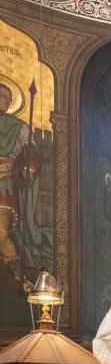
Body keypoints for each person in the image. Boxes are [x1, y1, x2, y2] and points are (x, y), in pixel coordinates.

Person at [0, 82, 42, 282]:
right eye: (1, 96)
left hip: (3, 185)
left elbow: (34, 153)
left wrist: (29, 168)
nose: (5, 101)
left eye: (8, 98)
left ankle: (15, 266)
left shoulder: (19, 127)